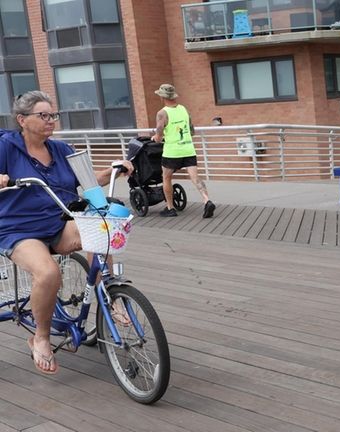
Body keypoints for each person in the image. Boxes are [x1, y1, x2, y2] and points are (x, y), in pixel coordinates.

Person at [0, 90, 134, 375]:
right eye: (43, 115)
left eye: (53, 115)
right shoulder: (5, 147)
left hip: (58, 221)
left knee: (103, 230)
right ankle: (41, 338)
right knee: (48, 274)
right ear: (22, 120)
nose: (51, 121)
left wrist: (114, 170)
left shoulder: (61, 148)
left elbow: (88, 180)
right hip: (18, 228)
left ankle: (109, 297)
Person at [150, 83, 216, 218]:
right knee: (195, 177)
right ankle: (207, 200)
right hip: (188, 149)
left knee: (166, 178)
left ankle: (170, 208)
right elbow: (192, 131)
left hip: (172, 151)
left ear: (162, 97)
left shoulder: (162, 113)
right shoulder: (184, 109)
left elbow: (158, 136)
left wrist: (155, 137)